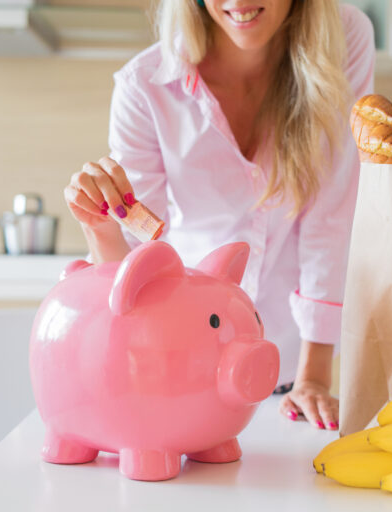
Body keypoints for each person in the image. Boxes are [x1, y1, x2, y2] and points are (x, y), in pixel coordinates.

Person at [63, 0, 375, 430]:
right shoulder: (145, 87)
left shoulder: (344, 37)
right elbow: (136, 257)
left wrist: (315, 378)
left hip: (290, 368)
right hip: (182, 369)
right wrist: (99, 229)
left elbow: (333, 212)